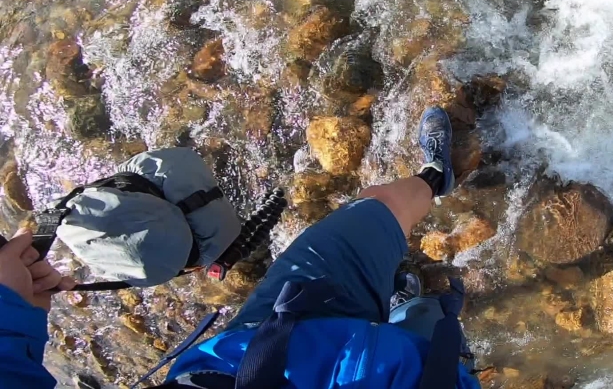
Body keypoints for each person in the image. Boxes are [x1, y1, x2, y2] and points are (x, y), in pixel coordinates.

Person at [0, 107, 481, 389]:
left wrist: (13, 309)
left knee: (371, 215)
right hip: (397, 375)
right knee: (429, 321)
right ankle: (408, 305)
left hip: (252, 349)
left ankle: (436, 178)